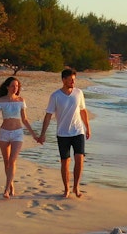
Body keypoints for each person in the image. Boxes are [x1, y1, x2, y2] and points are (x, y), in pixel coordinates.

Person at [39, 69, 91, 198]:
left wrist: (87, 128)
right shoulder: (55, 96)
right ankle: (66, 188)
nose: (73, 82)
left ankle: (76, 187)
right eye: (71, 79)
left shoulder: (79, 93)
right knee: (65, 162)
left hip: (78, 131)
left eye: (74, 79)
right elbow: (48, 115)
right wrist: (42, 133)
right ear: (63, 80)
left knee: (80, 159)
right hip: (62, 133)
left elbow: (83, 111)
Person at [0, 77, 39, 198]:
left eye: (17, 86)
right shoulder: (1, 100)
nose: (15, 88)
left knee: (12, 160)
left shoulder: (21, 100)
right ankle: (11, 185)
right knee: (6, 162)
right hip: (4, 133)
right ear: (7, 87)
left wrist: (34, 134)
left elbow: (25, 119)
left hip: (17, 133)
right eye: (13, 86)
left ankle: (6, 189)